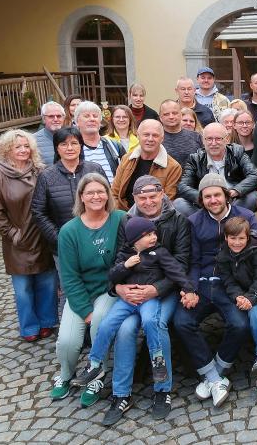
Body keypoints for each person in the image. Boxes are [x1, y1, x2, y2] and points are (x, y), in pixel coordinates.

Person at [173, 173, 257, 405]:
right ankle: (215, 377)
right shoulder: (194, 221)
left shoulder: (244, 217)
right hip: (204, 283)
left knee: (239, 324)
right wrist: (190, 288)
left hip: (231, 285)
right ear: (201, 199)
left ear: (226, 195)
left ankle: (215, 373)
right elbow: (192, 261)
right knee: (182, 322)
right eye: (207, 196)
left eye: (217, 194)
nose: (213, 200)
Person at [106, 175, 190, 425]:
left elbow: (181, 265)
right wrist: (119, 288)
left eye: (153, 196)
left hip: (165, 292)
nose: (148, 201)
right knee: (125, 328)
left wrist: (155, 289)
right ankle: (121, 392)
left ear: (163, 194)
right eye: (142, 197)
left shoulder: (178, 220)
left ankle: (162, 388)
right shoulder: (127, 221)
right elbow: (120, 259)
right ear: (135, 199)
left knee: (156, 324)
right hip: (133, 291)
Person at [72, 217, 194, 388]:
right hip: (127, 300)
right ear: (135, 240)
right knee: (106, 324)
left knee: (151, 321)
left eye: (154, 233)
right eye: (148, 235)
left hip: (148, 299)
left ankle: (158, 363)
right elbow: (112, 277)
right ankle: (94, 364)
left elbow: (176, 271)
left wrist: (189, 288)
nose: (153, 237)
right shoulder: (124, 254)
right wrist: (125, 266)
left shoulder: (159, 252)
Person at [50, 173, 125, 407]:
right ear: (81, 197)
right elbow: (69, 277)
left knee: (100, 322)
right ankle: (65, 373)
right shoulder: (69, 231)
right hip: (81, 291)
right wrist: (84, 310)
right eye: (90, 192)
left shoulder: (120, 219)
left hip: (108, 288)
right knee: (67, 342)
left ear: (108, 194)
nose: (96, 196)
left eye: (101, 191)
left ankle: (97, 372)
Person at [0, 129, 56, 342]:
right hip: (17, 241)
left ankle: (47, 322)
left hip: (42, 236)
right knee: (23, 289)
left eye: (27, 146)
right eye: (18, 146)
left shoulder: (40, 171)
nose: (23, 150)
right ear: (8, 149)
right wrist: (14, 235)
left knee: (47, 283)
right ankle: (29, 327)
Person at [32, 127, 106, 256]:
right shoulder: (46, 176)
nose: (69, 148)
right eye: (64, 144)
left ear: (81, 145)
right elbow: (38, 212)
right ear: (56, 148)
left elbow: (108, 202)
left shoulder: (95, 169)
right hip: (65, 247)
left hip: (99, 240)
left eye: (74, 143)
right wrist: (60, 238)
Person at [215, 217, 257, 372]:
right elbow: (228, 281)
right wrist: (238, 296)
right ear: (226, 238)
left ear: (247, 238)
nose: (237, 242)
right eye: (233, 238)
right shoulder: (223, 256)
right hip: (242, 294)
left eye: (241, 238)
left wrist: (251, 298)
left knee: (254, 312)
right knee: (251, 311)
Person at [175, 122, 257, 216]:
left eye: (218, 139)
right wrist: (203, 197)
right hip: (207, 206)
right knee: (179, 203)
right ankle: (218, 223)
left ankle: (226, 222)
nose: (213, 143)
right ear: (203, 140)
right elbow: (182, 186)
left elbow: (254, 175)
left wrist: (235, 191)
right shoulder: (195, 159)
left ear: (226, 139)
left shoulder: (237, 152)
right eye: (209, 139)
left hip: (232, 202)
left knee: (252, 196)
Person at [111, 119, 182, 211]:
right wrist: (122, 215)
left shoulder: (173, 167)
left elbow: (166, 202)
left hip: (154, 217)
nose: (150, 139)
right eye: (146, 135)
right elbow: (115, 194)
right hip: (124, 213)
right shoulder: (127, 159)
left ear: (162, 138)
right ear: (138, 136)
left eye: (155, 135)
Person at [76, 101, 125, 184]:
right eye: (86, 116)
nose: (92, 119)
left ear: (100, 122)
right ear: (77, 122)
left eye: (95, 116)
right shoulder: (72, 149)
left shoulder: (114, 146)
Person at [159, 100, 203, 167]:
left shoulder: (196, 137)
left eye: (174, 113)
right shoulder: (155, 138)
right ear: (160, 118)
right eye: (166, 114)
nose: (171, 117)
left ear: (180, 115)